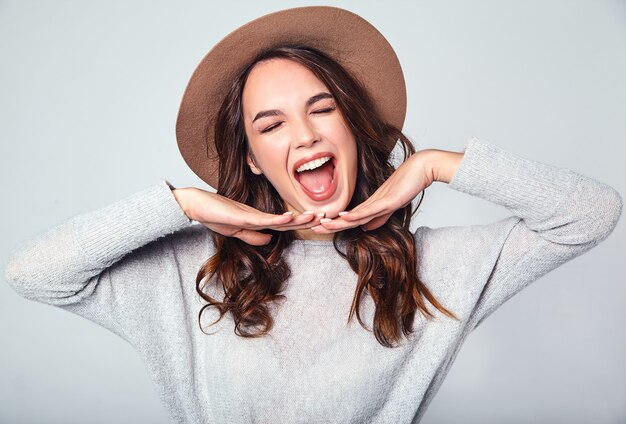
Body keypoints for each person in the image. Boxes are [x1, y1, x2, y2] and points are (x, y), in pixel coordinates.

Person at [4, 6, 622, 424]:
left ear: (352, 126)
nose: (301, 136)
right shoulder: (190, 271)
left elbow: (593, 213)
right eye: (271, 125)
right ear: (251, 158)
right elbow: (33, 274)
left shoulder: (433, 265)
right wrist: (181, 203)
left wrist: (434, 163)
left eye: (321, 110)